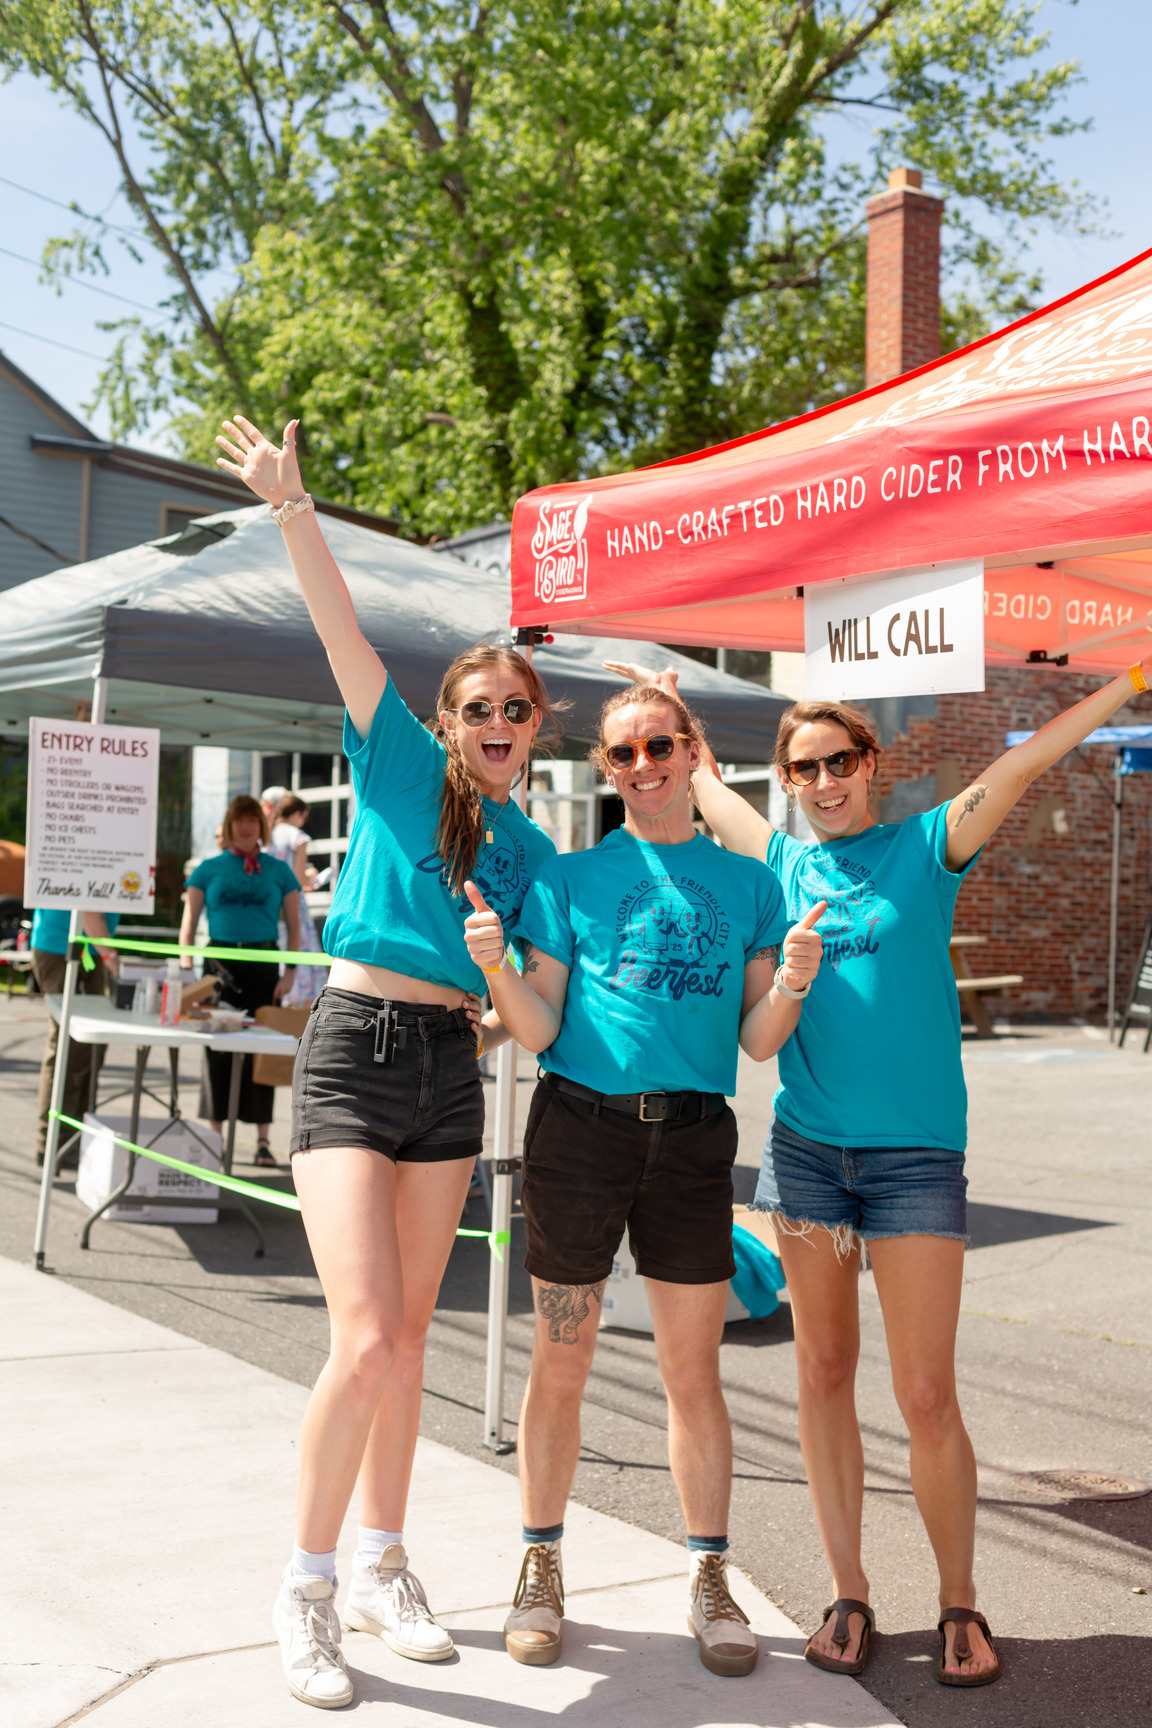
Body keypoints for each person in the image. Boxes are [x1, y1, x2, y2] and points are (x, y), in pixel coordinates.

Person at [612, 649, 1152, 1689]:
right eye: (806, 767)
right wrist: (670, 702)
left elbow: (1031, 759)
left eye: (840, 761)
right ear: (791, 780)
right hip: (808, 1159)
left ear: (874, 763)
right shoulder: (778, 862)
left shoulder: (924, 847)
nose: (824, 781)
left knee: (925, 1392)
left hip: (914, 1164)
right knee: (819, 1376)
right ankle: (849, 1591)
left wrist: (1131, 679)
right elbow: (703, 779)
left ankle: (960, 1603)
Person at [215, 411, 559, 1710]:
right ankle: (304, 1591)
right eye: (479, 705)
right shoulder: (401, 761)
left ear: (534, 728)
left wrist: (500, 974)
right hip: (356, 1044)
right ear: (449, 718)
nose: (496, 722)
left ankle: (382, 1562)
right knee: (362, 1337)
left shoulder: (528, 857)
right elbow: (338, 630)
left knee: (409, 1340)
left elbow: (536, 1011)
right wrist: (293, 508)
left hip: (449, 1068)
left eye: (516, 711)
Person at [463, 682, 824, 1677]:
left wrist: (793, 978)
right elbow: (537, 1027)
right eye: (620, 754)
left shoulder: (752, 885)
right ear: (606, 770)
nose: (642, 766)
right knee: (562, 1364)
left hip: (697, 1139)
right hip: (580, 1131)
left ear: (692, 749)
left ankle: (711, 1577)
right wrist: (496, 968)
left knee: (691, 1376)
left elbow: (756, 1042)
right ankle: (539, 1565)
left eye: (658, 745)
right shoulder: (570, 881)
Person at [180, 794, 300, 1167]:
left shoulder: (280, 871)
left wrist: (291, 972)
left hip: (265, 965)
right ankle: (214, 1139)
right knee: (217, 1048)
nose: (246, 826)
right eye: (238, 819)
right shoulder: (207, 868)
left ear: (261, 826)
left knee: (262, 1051)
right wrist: (186, 968)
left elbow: (295, 928)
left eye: (252, 819)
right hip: (218, 966)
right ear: (230, 825)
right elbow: (188, 926)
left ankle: (263, 1140)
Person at [31, 908, 121, 1166]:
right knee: (68, 1047)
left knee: (88, 1049)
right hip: (66, 948)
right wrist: (111, 958)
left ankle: (74, 1138)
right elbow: (91, 912)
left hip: (89, 948)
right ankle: (54, 1142)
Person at [268, 795, 328, 1004]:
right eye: (303, 816)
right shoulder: (298, 837)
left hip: (270, 905)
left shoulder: (268, 835)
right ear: (295, 814)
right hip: (292, 903)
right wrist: (313, 876)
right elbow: (298, 879)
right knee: (299, 949)